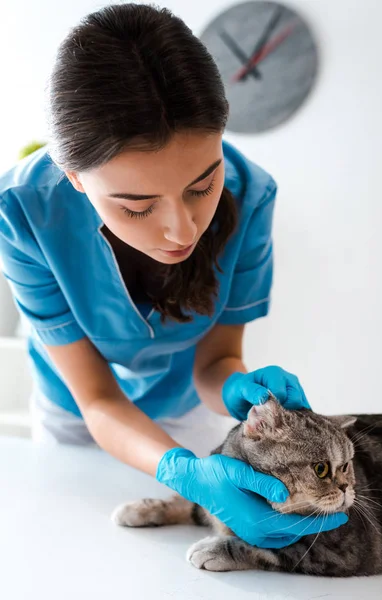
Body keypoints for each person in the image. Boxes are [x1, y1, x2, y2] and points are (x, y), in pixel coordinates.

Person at [0, 3, 348, 549]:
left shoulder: (253, 195)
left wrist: (233, 383)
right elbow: (96, 399)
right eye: (137, 207)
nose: (180, 230)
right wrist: (183, 472)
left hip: (186, 412)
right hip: (75, 415)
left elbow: (213, 361)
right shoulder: (21, 210)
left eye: (203, 186)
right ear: (75, 179)